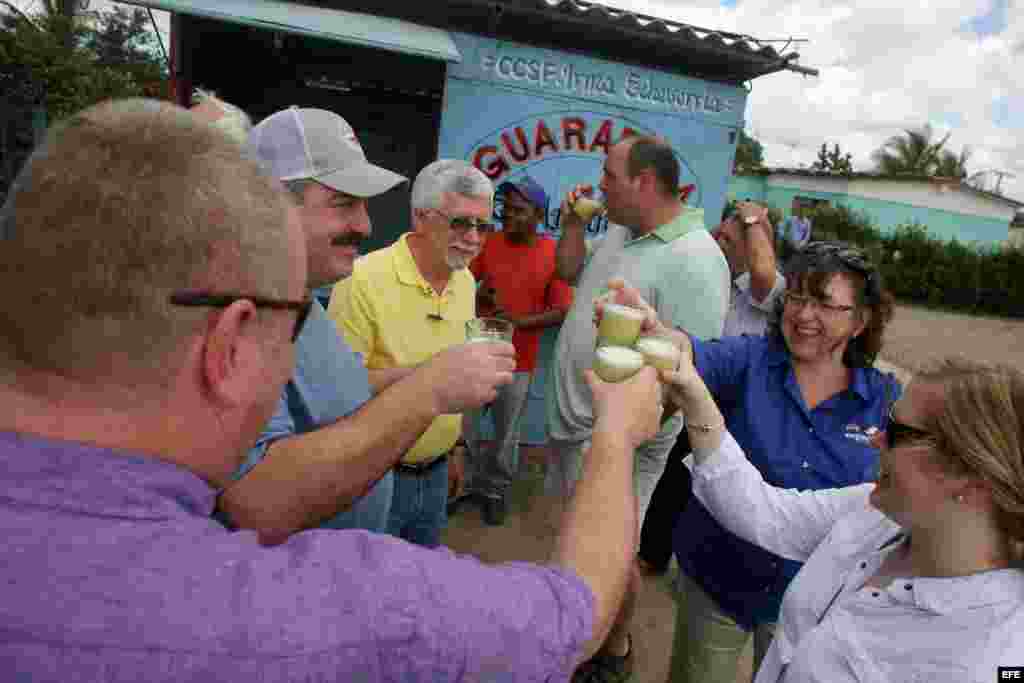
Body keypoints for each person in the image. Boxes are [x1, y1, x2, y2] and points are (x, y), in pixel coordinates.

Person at [0, 97, 667, 681]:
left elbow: (342, 387)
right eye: (284, 322)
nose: (365, 224)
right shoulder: (300, 614)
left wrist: (429, 388)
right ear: (230, 344)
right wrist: (615, 434)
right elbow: (570, 616)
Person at [215, 107, 515, 543]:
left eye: (481, 226)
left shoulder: (300, 303)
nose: (365, 224)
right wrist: (429, 389)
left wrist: (443, 395)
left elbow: (343, 396)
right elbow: (260, 500)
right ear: (268, 204)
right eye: (343, 203)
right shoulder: (230, 317)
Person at [663, 348, 1024, 682]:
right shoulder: (878, 514)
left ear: (966, 473)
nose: (876, 438)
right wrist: (693, 393)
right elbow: (764, 513)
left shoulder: (992, 657)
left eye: (897, 432)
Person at [633, 240, 899, 682]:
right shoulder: (751, 360)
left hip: (813, 598)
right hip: (718, 578)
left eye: (824, 303)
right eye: (796, 296)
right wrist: (660, 335)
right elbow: (690, 352)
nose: (804, 314)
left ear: (860, 321)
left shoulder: (885, 400)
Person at [548, 134, 731, 682]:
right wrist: (573, 225)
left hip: (621, 438)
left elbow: (687, 371)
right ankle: (598, 642)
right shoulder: (622, 230)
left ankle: (611, 651)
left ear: (644, 182)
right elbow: (568, 272)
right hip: (582, 424)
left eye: (609, 175)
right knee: (588, 546)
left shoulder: (696, 258)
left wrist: (623, 438)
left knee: (609, 554)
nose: (600, 185)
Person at [330, 159, 499, 546]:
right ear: (421, 218)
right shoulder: (361, 280)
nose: (473, 238)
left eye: (483, 226)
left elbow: (454, 385)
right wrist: (432, 375)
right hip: (375, 475)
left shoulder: (465, 281)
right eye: (460, 223)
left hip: (435, 474)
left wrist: (454, 448)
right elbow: (338, 392)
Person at [637, 200, 785, 575]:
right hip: (694, 389)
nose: (719, 241)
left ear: (755, 246)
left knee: (693, 481)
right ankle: (652, 552)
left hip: (730, 407)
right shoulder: (713, 277)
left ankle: (661, 556)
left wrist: (753, 217)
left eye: (730, 239)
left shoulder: (768, 291)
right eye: (720, 234)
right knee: (671, 473)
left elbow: (763, 270)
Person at [457, 174, 573, 525]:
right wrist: (477, 295)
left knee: (506, 434)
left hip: (518, 362)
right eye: (505, 207)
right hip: (476, 355)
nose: (508, 214)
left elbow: (562, 310)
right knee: (465, 427)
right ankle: (463, 484)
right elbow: (460, 282)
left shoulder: (552, 253)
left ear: (538, 214)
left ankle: (496, 490)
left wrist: (518, 322)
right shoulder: (488, 242)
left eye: (518, 209)